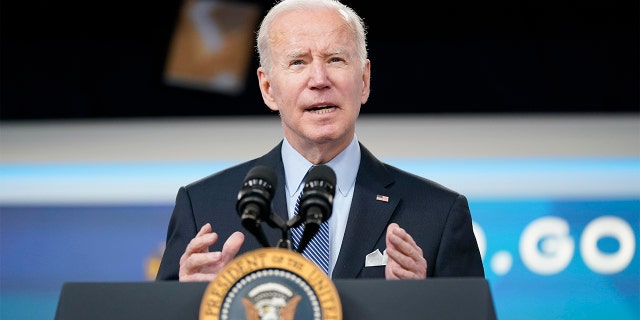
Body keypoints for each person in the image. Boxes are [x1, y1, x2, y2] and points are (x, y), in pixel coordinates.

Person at [156, 0, 484, 282]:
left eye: (335, 60)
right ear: (268, 88)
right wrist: (191, 304)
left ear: (365, 80)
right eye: (298, 62)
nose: (319, 80)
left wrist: (429, 304)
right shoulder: (202, 209)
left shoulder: (438, 214)